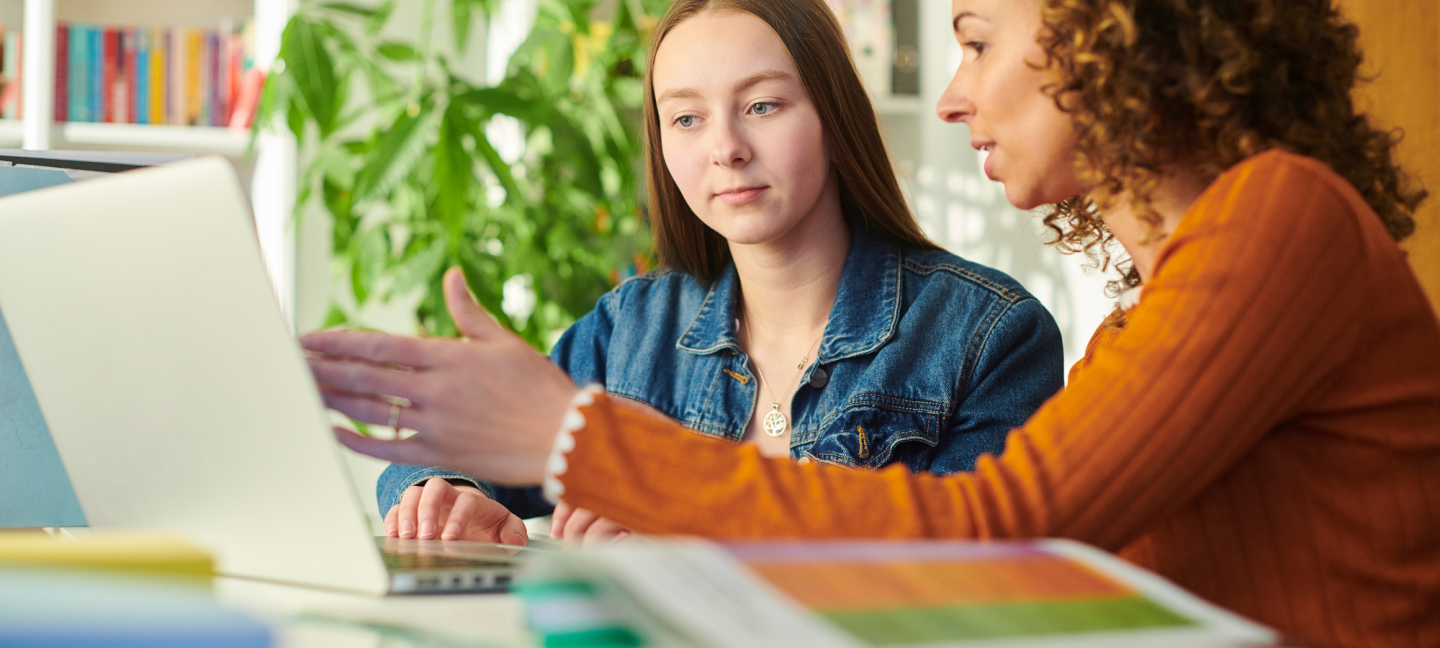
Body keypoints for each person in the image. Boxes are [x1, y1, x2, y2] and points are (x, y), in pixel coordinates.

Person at [302, 0, 1440, 644]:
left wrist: (576, 441)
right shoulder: (1178, 286)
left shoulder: (1277, 220)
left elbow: (999, 534)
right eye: (684, 118)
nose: (950, 95)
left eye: (978, 40)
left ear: (1116, 30)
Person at [365, 0, 1063, 547]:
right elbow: (459, 450)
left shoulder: (988, 335)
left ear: (833, 114)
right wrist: (443, 490)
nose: (725, 148)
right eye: (687, 118)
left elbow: (971, 578)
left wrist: (690, 535)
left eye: (762, 106)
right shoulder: (630, 331)